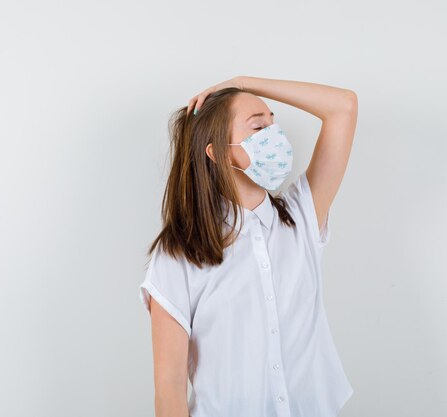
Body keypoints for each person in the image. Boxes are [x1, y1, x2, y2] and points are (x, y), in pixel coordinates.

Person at [139, 76, 358, 417]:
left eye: (274, 122)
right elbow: (169, 387)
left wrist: (244, 82)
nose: (275, 136)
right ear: (216, 153)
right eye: (258, 128)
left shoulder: (301, 217)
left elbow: (344, 107)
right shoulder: (178, 254)